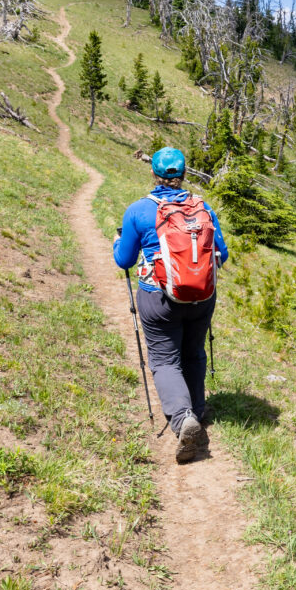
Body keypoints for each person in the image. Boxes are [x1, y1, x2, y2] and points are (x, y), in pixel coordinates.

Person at [112, 147, 229, 462]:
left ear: (153, 173)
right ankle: (198, 409)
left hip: (158, 296)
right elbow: (223, 254)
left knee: (164, 359)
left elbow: (124, 259)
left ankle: (182, 418)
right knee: (194, 351)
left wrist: (115, 242)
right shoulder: (203, 207)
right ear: (184, 174)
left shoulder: (139, 210)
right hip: (203, 295)